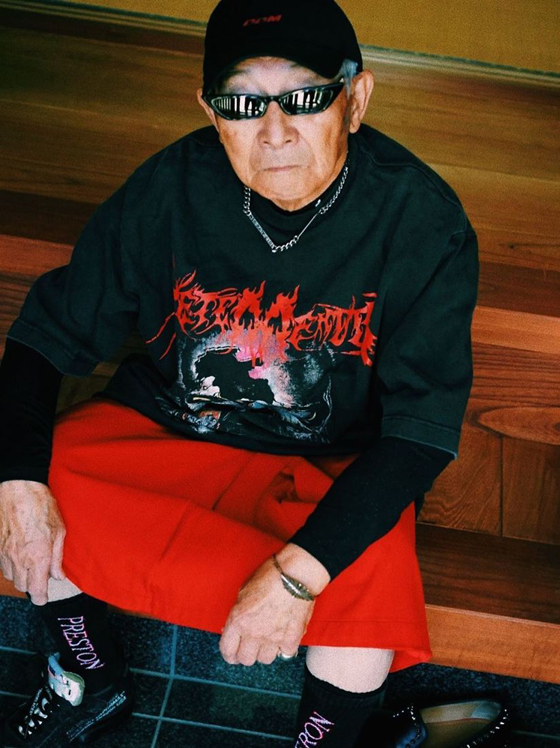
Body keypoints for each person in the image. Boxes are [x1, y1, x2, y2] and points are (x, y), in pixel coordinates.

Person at [0, 0, 478, 745]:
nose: (275, 131)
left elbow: (422, 433)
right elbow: (45, 336)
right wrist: (20, 485)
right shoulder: (171, 185)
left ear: (356, 100)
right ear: (212, 113)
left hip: (323, 460)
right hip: (171, 430)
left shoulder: (422, 220)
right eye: (245, 103)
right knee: (27, 476)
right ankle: (86, 673)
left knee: (369, 566)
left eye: (306, 97)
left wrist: (296, 578)